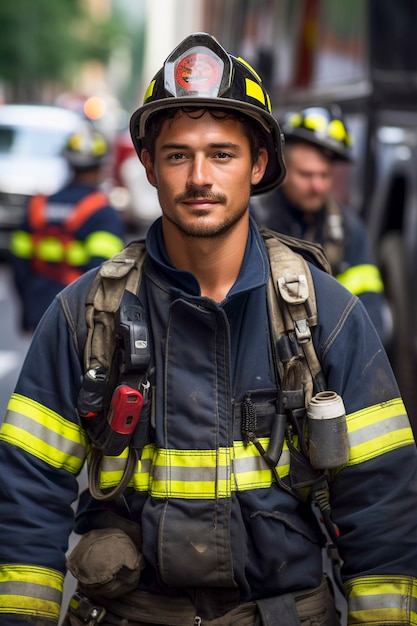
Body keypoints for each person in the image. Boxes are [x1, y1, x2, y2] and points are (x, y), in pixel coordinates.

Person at [0, 32, 416, 626]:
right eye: (177, 154)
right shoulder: (83, 314)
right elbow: (26, 501)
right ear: (147, 164)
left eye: (222, 153)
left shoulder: (329, 315)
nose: (200, 176)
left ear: (259, 164)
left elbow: (385, 509)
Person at [250, 106, 390, 343]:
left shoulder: (346, 228)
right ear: (282, 168)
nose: (318, 186)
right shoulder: (253, 219)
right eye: (306, 175)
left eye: (324, 175)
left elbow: (369, 305)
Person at [10, 121, 125, 333]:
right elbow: (105, 272)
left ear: (68, 163)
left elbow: (19, 266)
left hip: (39, 308)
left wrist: (29, 305)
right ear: (101, 166)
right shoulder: (102, 213)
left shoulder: (38, 206)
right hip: (78, 316)